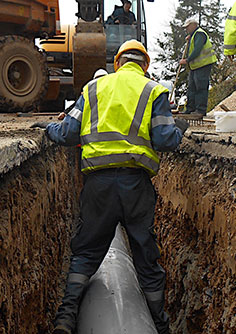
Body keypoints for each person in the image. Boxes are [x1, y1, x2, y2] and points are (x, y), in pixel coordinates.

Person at [32, 39, 189, 334]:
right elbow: (166, 139)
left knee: (87, 252)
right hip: (136, 187)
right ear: (145, 65)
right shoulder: (154, 90)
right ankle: (159, 324)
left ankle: (66, 318)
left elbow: (67, 133)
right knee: (146, 258)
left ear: (116, 63)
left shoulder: (93, 89)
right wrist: (180, 128)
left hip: (98, 186)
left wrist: (47, 128)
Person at [179, 18, 217, 117]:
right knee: (191, 87)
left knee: (200, 87)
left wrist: (187, 60)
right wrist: (190, 37)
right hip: (195, 66)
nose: (186, 29)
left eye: (187, 27)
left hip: (203, 65)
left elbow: (197, 50)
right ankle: (190, 109)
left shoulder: (200, 34)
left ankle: (200, 110)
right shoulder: (194, 35)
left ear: (193, 25)